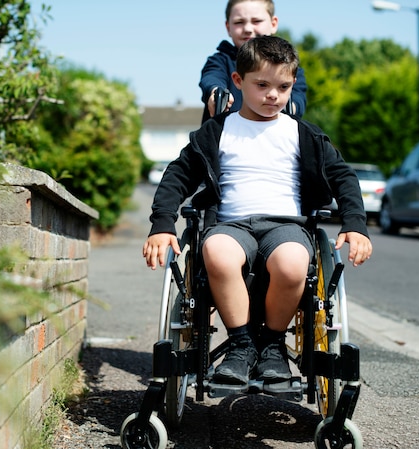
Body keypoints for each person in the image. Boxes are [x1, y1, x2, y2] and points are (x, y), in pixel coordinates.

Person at [143, 36, 372, 388]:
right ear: (238, 81)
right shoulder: (216, 132)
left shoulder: (303, 134)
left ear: (293, 84)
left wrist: (355, 224)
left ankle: (272, 346)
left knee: (294, 263)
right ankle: (242, 345)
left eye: (283, 86)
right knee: (216, 253)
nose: (273, 95)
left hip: (287, 225)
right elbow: (177, 176)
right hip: (232, 225)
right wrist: (162, 225)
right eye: (261, 85)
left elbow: (343, 176)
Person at [199, 0, 308, 123]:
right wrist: (216, 94)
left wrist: (286, 108)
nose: (248, 29)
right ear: (228, 27)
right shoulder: (220, 60)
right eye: (239, 22)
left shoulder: (288, 66)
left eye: (256, 21)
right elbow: (212, 77)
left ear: (273, 24)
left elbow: (298, 101)